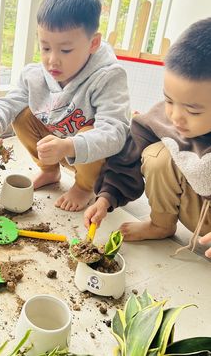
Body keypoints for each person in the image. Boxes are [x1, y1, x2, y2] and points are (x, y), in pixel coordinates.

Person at [0, 0, 130, 212]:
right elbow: (11, 101)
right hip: (58, 147)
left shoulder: (108, 77)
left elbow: (115, 133)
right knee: (21, 114)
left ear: (93, 43)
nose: (52, 60)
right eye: (45, 48)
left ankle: (84, 187)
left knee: (90, 131)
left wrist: (69, 146)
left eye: (66, 50)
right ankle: (50, 171)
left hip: (93, 160)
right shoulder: (36, 75)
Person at [84, 18, 211, 258]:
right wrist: (105, 198)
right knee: (157, 156)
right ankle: (161, 224)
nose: (175, 116)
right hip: (196, 210)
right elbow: (126, 157)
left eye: (193, 111)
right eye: (169, 100)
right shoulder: (164, 117)